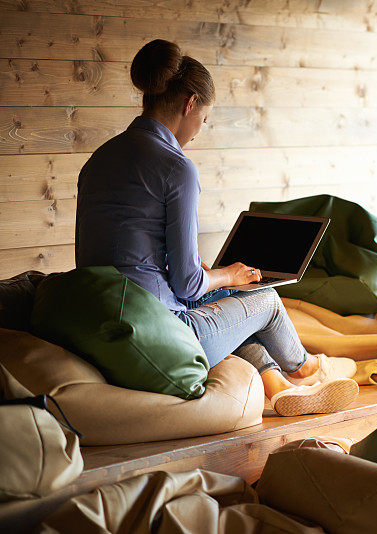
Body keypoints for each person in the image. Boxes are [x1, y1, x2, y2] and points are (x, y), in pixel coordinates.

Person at [74, 39, 359, 416]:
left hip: (98, 321)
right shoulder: (175, 166)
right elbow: (187, 284)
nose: (198, 130)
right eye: (204, 119)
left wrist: (207, 279)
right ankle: (307, 368)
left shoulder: (99, 158)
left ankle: (277, 385)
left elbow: (134, 260)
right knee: (265, 302)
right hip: (160, 337)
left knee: (226, 308)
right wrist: (228, 275)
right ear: (191, 103)